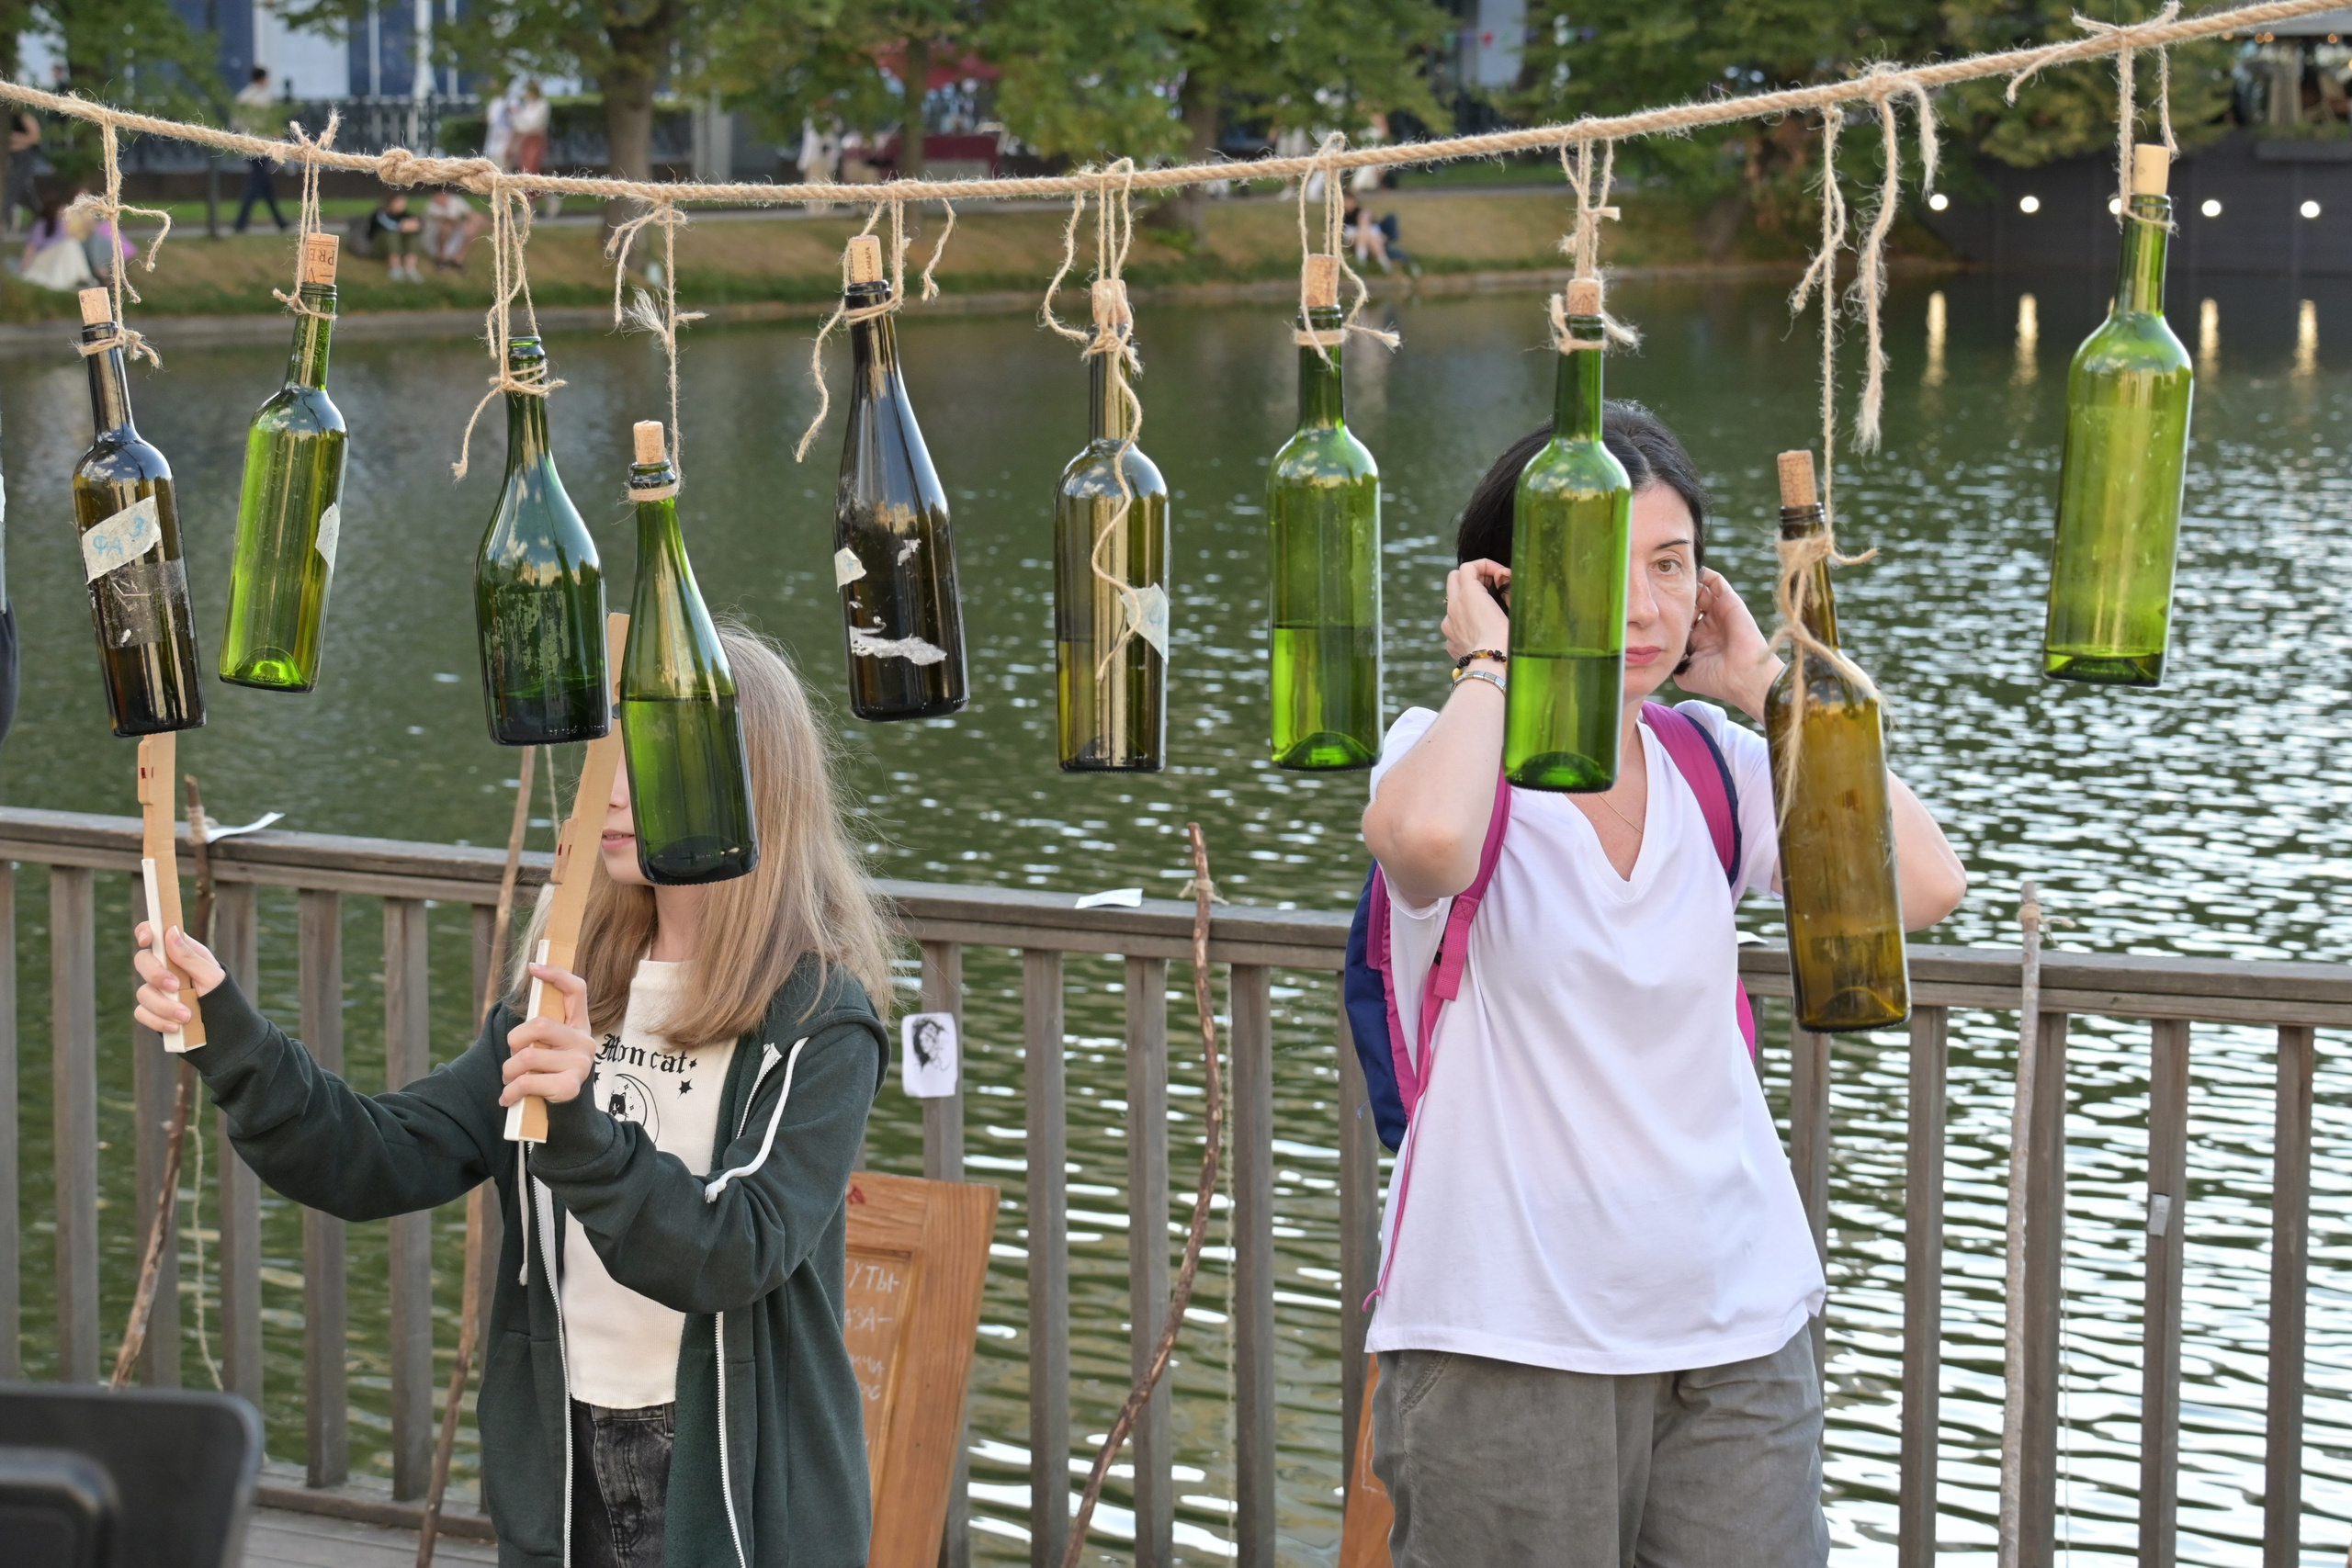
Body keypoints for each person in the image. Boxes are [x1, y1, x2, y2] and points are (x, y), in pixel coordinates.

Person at [131, 629, 892, 1568]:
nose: (605, 786)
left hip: (739, 1501)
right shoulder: (572, 993)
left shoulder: (816, 1018)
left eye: (640, 753)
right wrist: (227, 1033)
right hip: (565, 1462)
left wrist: (577, 1124)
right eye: (600, 749)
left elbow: (734, 1252)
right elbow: (375, 1158)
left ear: (742, 782)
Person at [1360, 403, 1967, 1567]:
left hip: (1737, 1327)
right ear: (1508, 577)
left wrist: (1764, 684)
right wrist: (1487, 662)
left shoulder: (1717, 767)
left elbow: (1924, 883)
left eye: (1673, 564)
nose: (1645, 608)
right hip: (1509, 1332)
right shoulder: (1444, 758)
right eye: (1600, 564)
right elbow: (1427, 843)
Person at [232, 67, 288, 233]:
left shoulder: (242, 97)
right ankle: (240, 224)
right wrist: (279, 140)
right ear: (262, 79)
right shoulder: (262, 100)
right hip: (262, 147)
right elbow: (269, 123)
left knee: (265, 186)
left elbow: (235, 123)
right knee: (256, 186)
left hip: (248, 146)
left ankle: (280, 222)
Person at [511, 80, 558, 217]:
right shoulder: (528, 106)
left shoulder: (542, 105)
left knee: (530, 172)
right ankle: (530, 205)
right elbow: (519, 123)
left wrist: (521, 122)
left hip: (536, 140)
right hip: (526, 139)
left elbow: (533, 124)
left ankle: (546, 199)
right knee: (524, 173)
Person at [422, 186, 487, 269]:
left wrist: (481, 221)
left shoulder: (455, 200)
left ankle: (458, 259)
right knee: (445, 228)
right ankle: (441, 259)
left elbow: (471, 214)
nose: (442, 197)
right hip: (434, 242)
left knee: (473, 228)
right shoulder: (430, 207)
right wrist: (463, 224)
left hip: (453, 236)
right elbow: (447, 220)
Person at [369, 191, 424, 280]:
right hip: (378, 246)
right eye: (399, 201)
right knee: (391, 234)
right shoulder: (380, 214)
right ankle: (395, 267)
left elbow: (418, 224)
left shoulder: (406, 215)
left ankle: (410, 267)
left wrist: (414, 226)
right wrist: (401, 226)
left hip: (400, 246)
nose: (402, 204)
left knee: (414, 235)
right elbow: (388, 225)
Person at [6, 110, 41, 235]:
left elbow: (35, 137)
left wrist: (15, 139)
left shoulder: (24, 116)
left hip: (23, 159)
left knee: (14, 192)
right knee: (21, 192)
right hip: (13, 160)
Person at [482, 81, 515, 172]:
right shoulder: (494, 101)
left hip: (505, 142)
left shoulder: (511, 101)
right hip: (493, 142)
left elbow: (515, 124)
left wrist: (511, 145)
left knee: (505, 171)